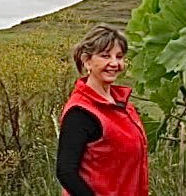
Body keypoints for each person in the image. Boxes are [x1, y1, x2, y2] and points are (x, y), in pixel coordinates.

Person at [56, 24, 148, 196]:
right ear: (87, 60)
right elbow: (66, 172)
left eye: (119, 57)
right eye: (105, 56)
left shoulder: (123, 105)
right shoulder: (81, 112)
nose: (114, 63)